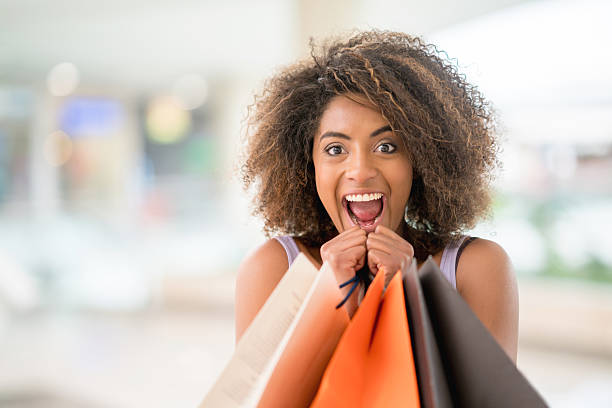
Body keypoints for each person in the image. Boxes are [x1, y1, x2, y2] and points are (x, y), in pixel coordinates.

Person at [235, 30, 518, 363]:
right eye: (335, 149)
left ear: (421, 159)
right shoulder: (274, 268)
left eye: (386, 147)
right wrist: (329, 303)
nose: (360, 170)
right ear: (308, 166)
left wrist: (409, 299)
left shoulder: (475, 268)